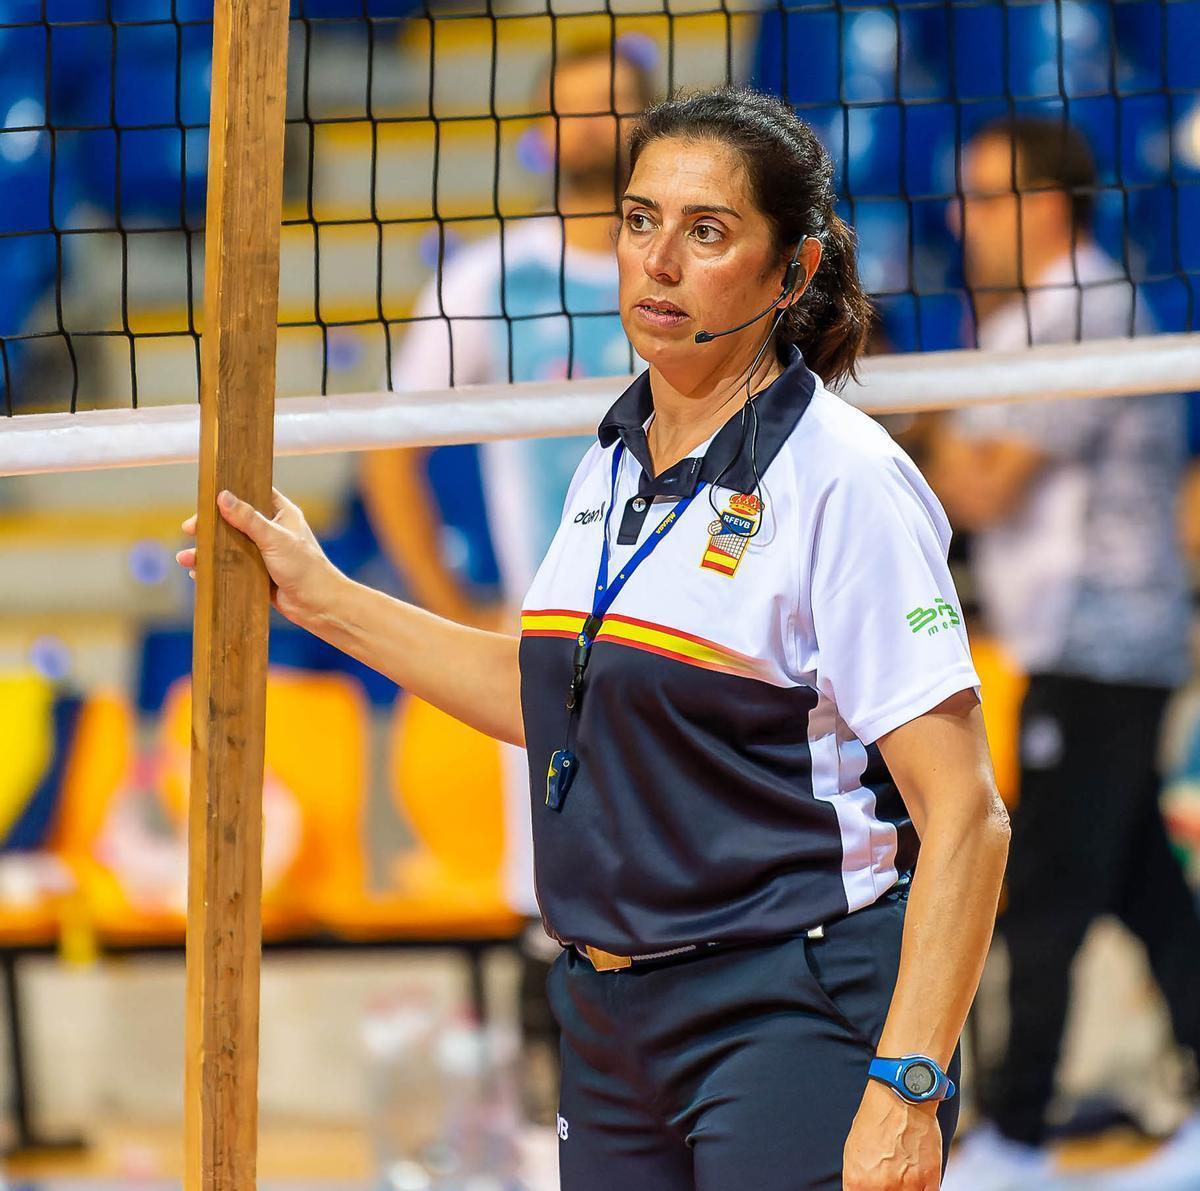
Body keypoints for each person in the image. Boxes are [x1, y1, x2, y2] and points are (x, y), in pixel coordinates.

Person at [179, 86, 1010, 1191]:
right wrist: (320, 595)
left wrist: (910, 1083)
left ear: (794, 271)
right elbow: (546, 696)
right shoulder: (609, 460)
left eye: (706, 232)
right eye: (639, 220)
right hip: (608, 1021)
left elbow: (967, 820)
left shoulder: (846, 479)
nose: (657, 262)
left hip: (784, 1008)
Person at [930, 116, 1200, 1189]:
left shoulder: (1087, 308)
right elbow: (967, 475)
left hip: (1105, 645)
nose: (960, 220)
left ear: (1046, 205)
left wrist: (935, 417)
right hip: (1078, 646)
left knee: (1040, 894)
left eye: (984, 197)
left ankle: (1018, 1137)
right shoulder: (1023, 324)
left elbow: (982, 488)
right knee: (1146, 898)